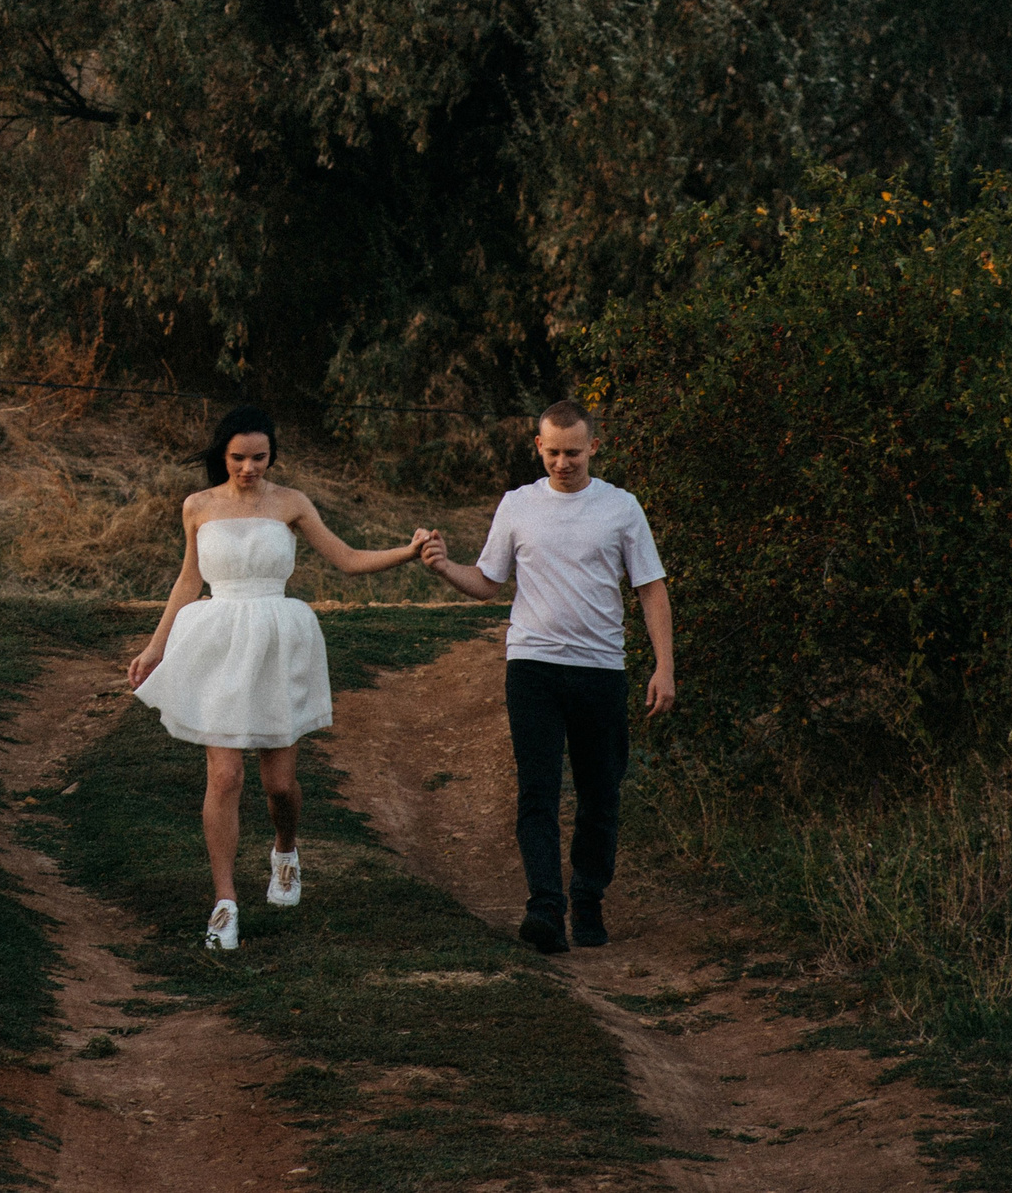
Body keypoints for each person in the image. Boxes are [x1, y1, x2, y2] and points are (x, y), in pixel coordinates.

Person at [127, 405, 429, 951]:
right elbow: (188, 578)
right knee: (224, 778)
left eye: (259, 458)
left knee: (279, 785)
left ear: (272, 455)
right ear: (223, 455)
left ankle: (285, 850)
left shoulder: (291, 504)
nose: (249, 468)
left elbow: (346, 558)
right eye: (239, 458)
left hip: (276, 640)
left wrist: (407, 552)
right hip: (218, 640)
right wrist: (156, 645)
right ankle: (225, 904)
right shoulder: (197, 506)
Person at [414, 400, 675, 955]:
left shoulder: (622, 508)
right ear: (538, 447)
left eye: (573, 453)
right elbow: (488, 582)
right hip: (532, 666)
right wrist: (441, 566)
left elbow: (650, 587)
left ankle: (587, 899)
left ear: (594, 448)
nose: (563, 463)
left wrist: (664, 666)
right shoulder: (517, 506)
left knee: (600, 793)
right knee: (537, 790)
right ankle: (545, 909)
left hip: (600, 670)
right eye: (553, 452)